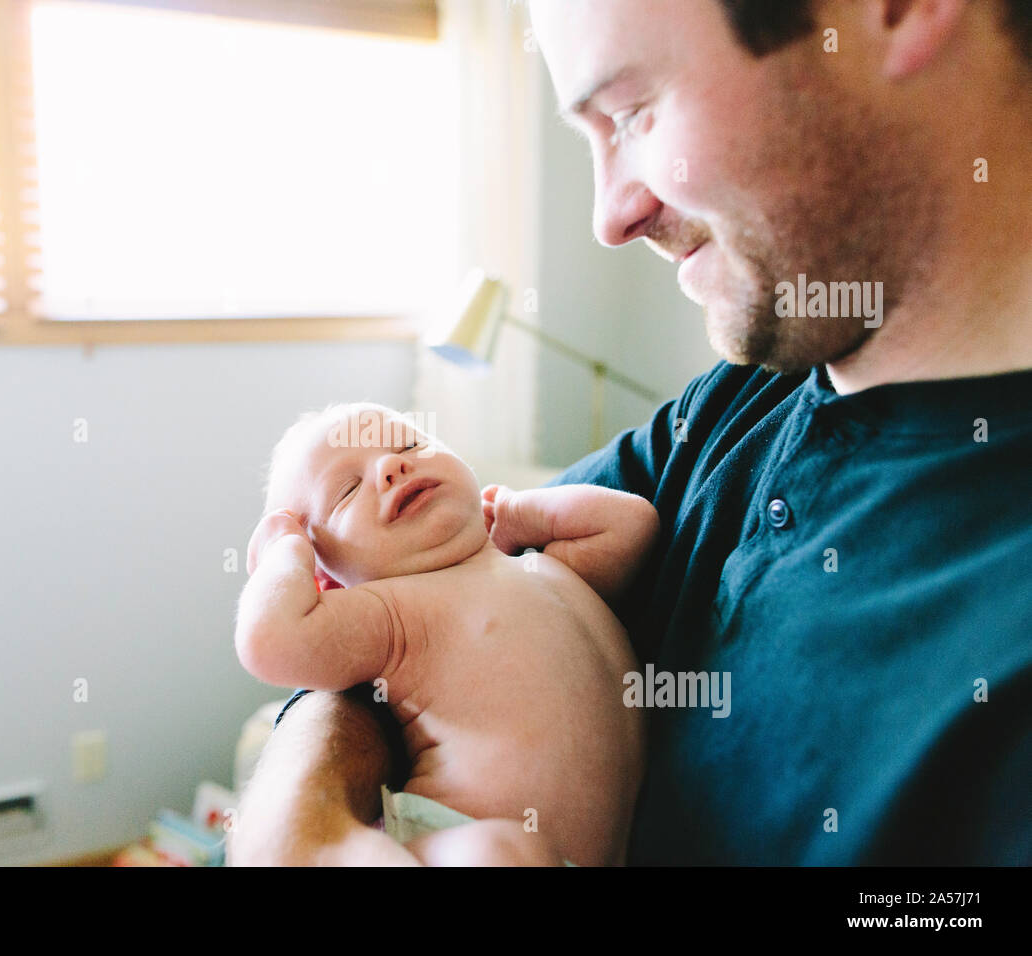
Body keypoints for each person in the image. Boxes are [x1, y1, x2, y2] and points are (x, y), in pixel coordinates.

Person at [229, 0, 1032, 865]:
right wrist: (296, 827)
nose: (612, 217)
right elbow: (401, 618)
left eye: (633, 112)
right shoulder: (729, 411)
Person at [236, 402, 654, 865]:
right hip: (463, 841)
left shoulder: (539, 562)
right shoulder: (391, 611)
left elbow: (631, 525)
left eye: (411, 444)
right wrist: (285, 551)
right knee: (500, 850)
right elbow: (274, 643)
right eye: (347, 491)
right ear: (329, 582)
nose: (392, 465)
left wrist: (516, 509)